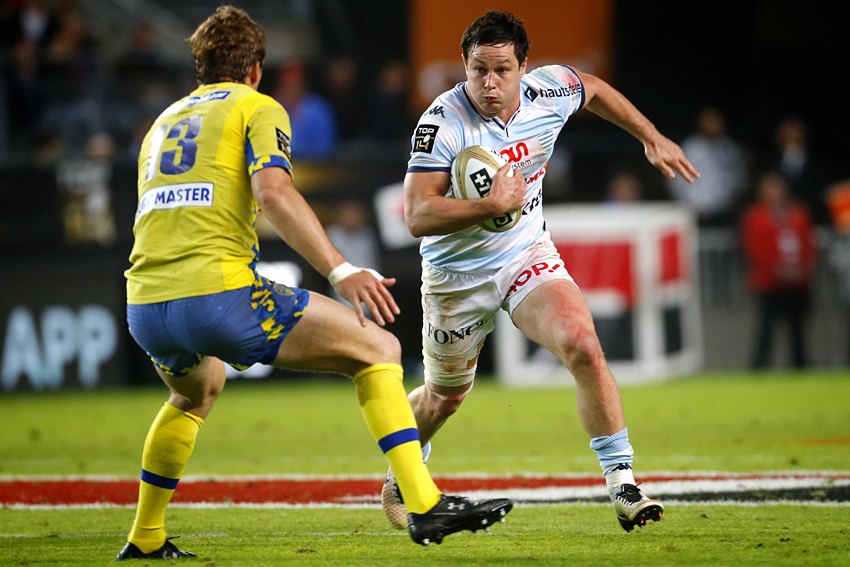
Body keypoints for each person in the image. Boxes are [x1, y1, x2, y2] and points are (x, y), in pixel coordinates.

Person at [117, 6, 511, 560]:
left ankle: (145, 537)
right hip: (215, 295)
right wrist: (341, 269)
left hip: (145, 305)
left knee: (194, 392)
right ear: (255, 68)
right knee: (378, 347)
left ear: (199, 67)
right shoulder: (256, 105)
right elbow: (274, 193)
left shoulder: (161, 124)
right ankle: (423, 504)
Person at [382, 10, 699, 534]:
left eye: (502, 69)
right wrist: (491, 205)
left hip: (525, 255)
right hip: (456, 276)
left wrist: (650, 136)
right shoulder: (442, 122)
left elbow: (593, 89)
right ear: (463, 65)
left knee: (582, 343)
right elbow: (417, 215)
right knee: (444, 396)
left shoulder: (549, 91)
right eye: (478, 69)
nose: (489, 82)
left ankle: (622, 483)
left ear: (524, 66)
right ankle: (402, 471)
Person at [741, 172, 817, 369]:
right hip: (769, 282)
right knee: (767, 326)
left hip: (798, 281)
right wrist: (776, 268)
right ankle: (760, 366)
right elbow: (755, 247)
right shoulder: (756, 215)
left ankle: (800, 365)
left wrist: (801, 268)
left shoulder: (798, 213)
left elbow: (808, 243)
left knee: (797, 327)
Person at [667, 107, 746, 225]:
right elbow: (675, 181)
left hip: (725, 211)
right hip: (698, 213)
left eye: (717, 122)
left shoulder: (730, 149)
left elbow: (740, 178)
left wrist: (734, 201)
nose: (713, 125)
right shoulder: (690, 148)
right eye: (710, 121)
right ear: (700, 124)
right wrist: (687, 206)